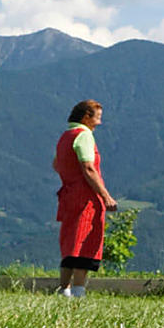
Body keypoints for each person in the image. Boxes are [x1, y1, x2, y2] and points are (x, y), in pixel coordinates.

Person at [53, 99, 117, 298]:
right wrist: (105, 195)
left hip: (68, 194)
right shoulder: (84, 136)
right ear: (86, 117)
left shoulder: (66, 136)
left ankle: (64, 289)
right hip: (86, 196)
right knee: (85, 241)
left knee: (70, 240)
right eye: (97, 118)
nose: (99, 123)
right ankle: (79, 291)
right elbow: (88, 167)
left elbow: (56, 164)